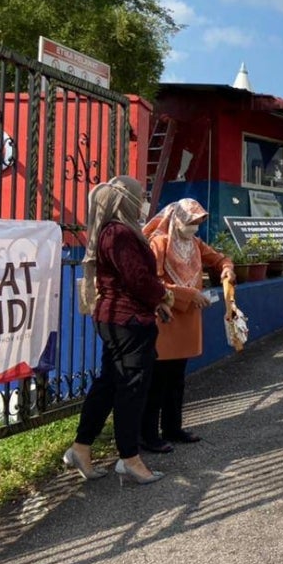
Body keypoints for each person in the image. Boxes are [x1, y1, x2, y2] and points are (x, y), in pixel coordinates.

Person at [65, 175, 174, 486]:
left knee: (110, 385)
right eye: (141, 196)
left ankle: (81, 447)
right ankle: (129, 458)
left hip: (121, 319)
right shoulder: (120, 233)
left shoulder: (113, 231)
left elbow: (133, 279)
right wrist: (163, 295)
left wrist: (156, 301)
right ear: (127, 200)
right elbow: (137, 279)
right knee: (131, 389)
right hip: (129, 322)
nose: (144, 202)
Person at [140, 199, 235, 452]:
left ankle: (173, 428)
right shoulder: (159, 242)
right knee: (157, 381)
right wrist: (188, 294)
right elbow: (153, 282)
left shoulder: (194, 243)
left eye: (198, 222)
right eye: (191, 221)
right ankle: (148, 435)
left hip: (188, 318)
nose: (194, 227)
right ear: (177, 219)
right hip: (166, 317)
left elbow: (220, 259)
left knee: (177, 380)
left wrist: (227, 269)